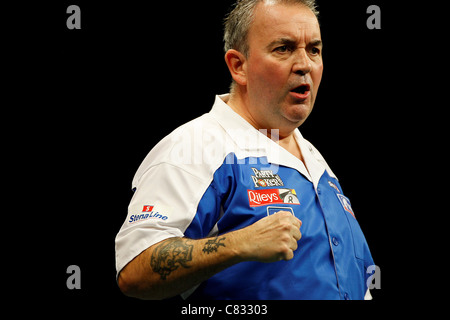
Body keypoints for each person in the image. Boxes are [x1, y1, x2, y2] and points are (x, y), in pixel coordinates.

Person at [115, 0, 375, 300]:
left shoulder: (318, 164)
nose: (305, 64)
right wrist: (238, 244)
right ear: (239, 66)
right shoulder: (197, 146)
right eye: (284, 48)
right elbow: (134, 269)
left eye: (314, 49)